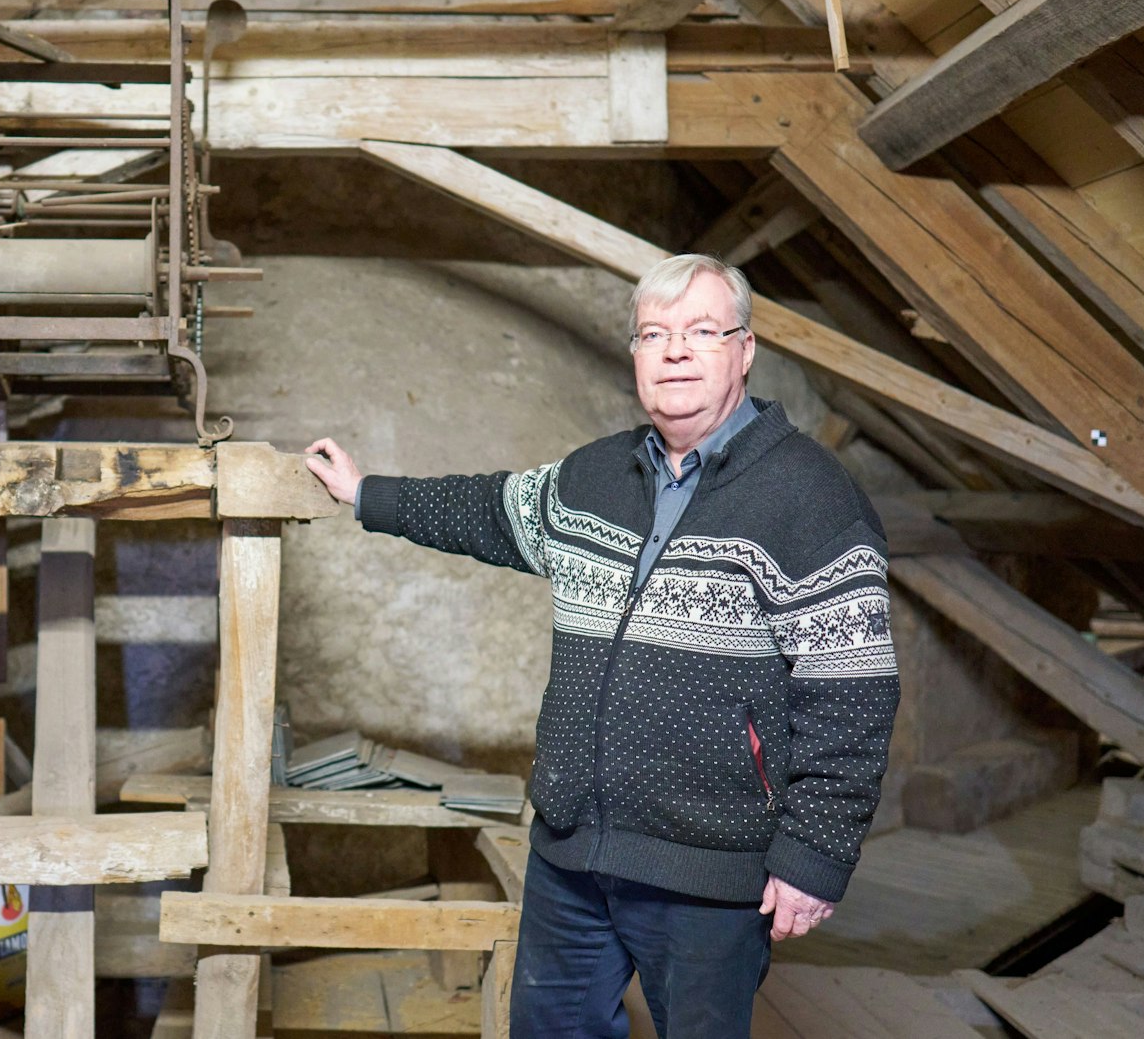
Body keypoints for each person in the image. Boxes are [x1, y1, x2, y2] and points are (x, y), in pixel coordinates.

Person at [304, 254, 899, 1038]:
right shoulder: (596, 477)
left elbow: (853, 695)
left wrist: (814, 855)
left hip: (709, 872)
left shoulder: (810, 496)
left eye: (700, 331)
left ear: (744, 351)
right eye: (654, 334)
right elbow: (488, 509)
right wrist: (367, 495)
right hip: (571, 855)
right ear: (636, 357)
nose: (675, 351)